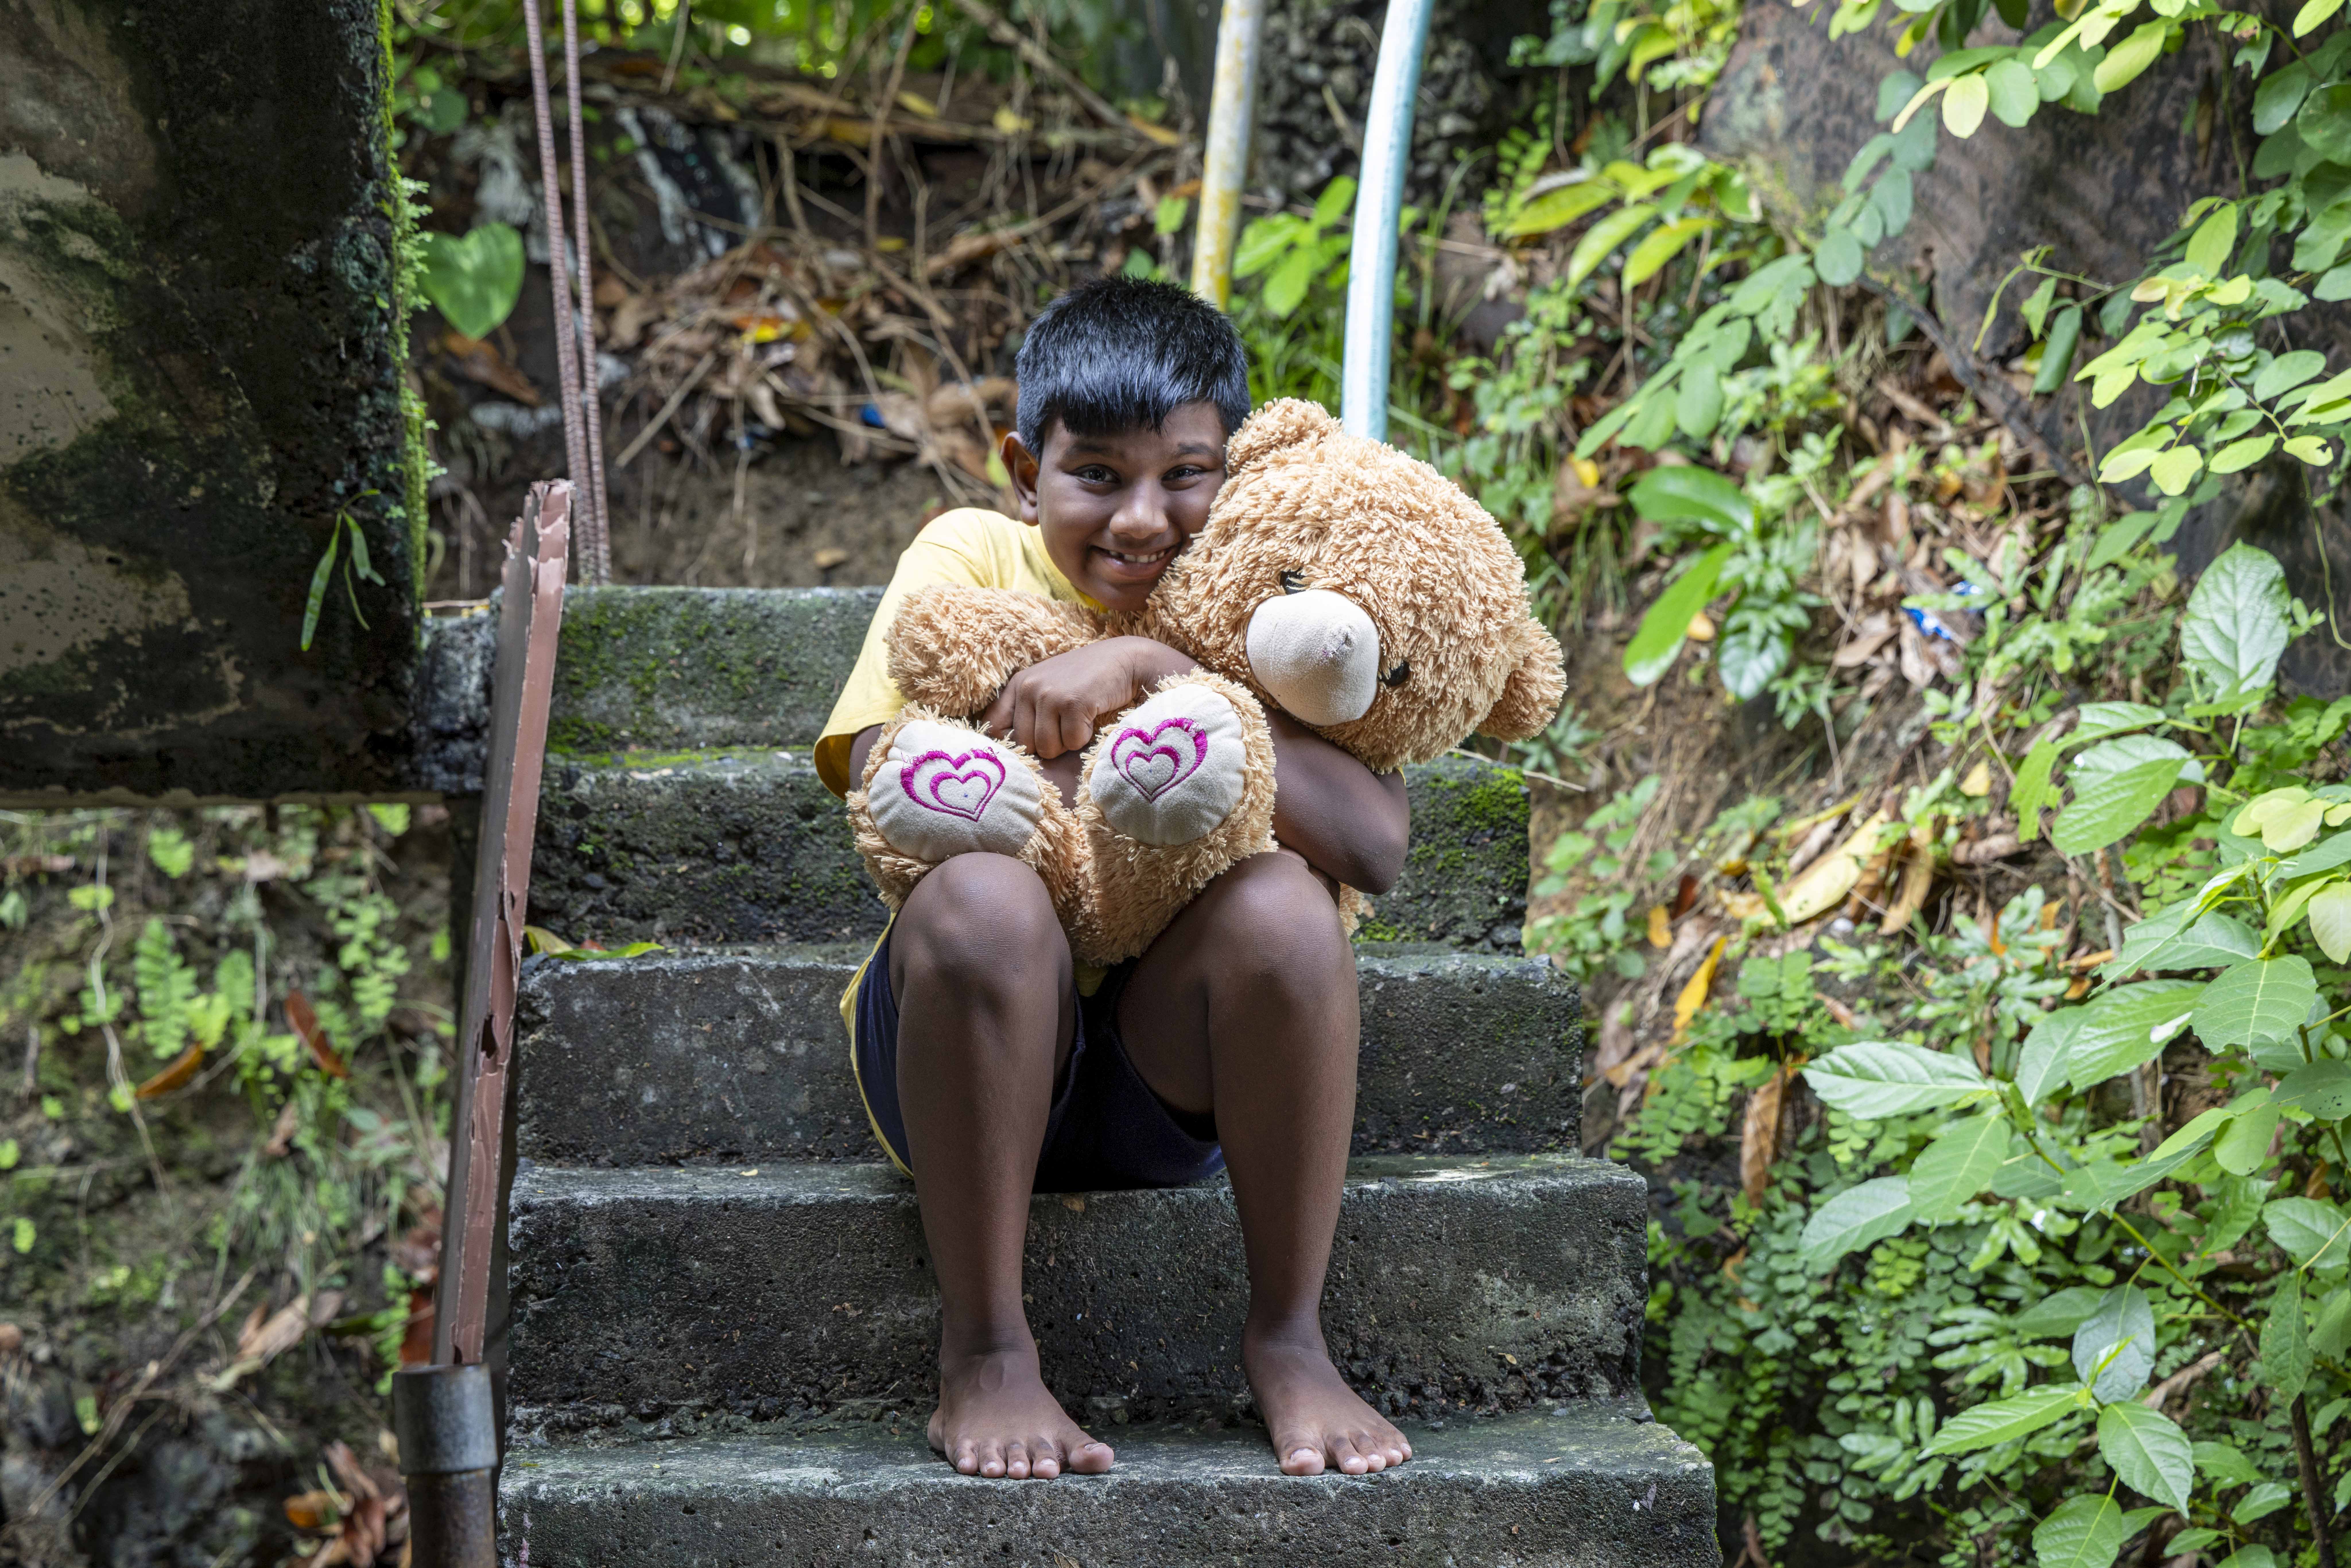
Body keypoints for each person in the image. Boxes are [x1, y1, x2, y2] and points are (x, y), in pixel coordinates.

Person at [816, 276, 1413, 1482]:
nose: (1142, 519)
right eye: (1096, 475)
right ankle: (985, 1348)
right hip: (963, 1044)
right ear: (1022, 470)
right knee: (984, 893)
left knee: (1290, 911)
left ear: (1234, 474)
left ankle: (1289, 1338)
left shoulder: (1272, 599)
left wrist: (1144, 664)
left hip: (1173, 1073)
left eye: (1184, 474)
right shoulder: (971, 553)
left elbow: (1373, 846)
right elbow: (885, 775)